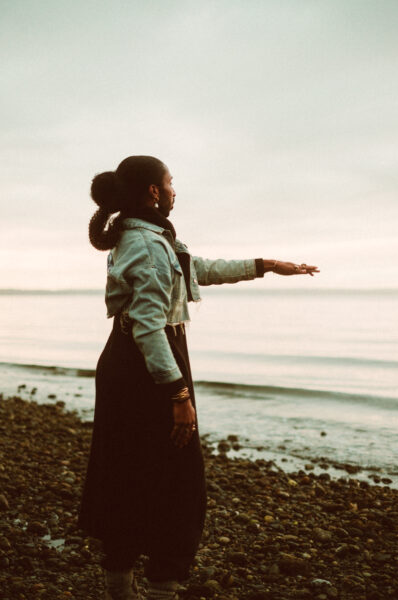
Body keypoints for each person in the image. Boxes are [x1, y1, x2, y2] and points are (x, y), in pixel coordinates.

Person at [77, 155, 319, 600]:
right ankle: (156, 589)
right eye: (170, 182)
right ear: (153, 191)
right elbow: (149, 327)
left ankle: (121, 587)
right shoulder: (147, 245)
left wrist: (267, 264)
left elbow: (200, 268)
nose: (173, 190)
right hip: (148, 365)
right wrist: (178, 393)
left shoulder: (145, 237)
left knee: (126, 473)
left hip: (130, 362)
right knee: (176, 484)